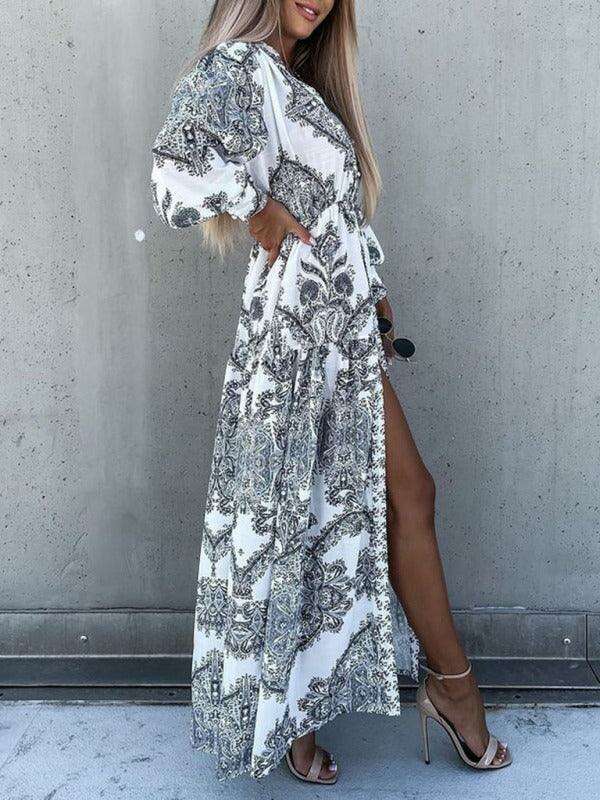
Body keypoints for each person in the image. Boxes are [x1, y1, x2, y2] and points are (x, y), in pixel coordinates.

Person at [150, 0, 512, 784]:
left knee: (356, 506)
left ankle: (402, 697)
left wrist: (372, 288)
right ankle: (440, 694)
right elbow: (174, 173)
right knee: (330, 509)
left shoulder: (297, 83)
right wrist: (255, 207)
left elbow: (338, 216)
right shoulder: (240, 68)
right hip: (293, 342)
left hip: (343, 335)